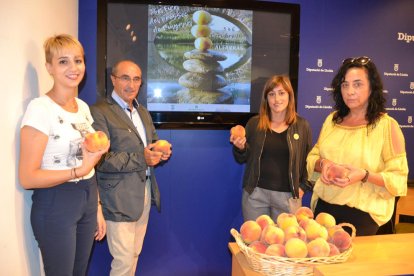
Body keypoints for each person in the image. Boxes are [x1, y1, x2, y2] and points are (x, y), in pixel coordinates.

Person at [18, 34, 108, 276]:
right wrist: (77, 171)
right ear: (49, 67)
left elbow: (89, 162)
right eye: (63, 61)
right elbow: (27, 178)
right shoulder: (40, 109)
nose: (73, 68)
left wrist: (97, 206)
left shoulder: (83, 107)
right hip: (56, 203)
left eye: (78, 60)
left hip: (87, 197)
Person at [307, 56, 408, 236]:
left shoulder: (387, 126)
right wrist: (323, 165)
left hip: (362, 215)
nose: (350, 91)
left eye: (358, 84)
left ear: (372, 88)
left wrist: (364, 175)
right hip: (324, 208)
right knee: (318, 262)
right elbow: (312, 157)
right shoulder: (331, 120)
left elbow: (398, 178)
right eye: (345, 85)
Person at [90, 60, 172, 275]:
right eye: (125, 78)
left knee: (134, 254)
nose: (131, 84)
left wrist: (160, 150)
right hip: (117, 197)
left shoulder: (141, 111)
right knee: (124, 260)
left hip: (144, 192)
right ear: (113, 80)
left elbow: (151, 142)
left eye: (136, 79)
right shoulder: (99, 111)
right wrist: (142, 158)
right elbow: (100, 159)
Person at [230, 75, 312, 222]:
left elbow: (309, 158)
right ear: (266, 98)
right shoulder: (254, 124)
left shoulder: (302, 125)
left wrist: (303, 187)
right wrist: (240, 148)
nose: (276, 99)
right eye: (271, 94)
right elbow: (242, 158)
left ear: (290, 96)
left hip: (288, 197)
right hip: (256, 196)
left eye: (281, 93)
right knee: (254, 243)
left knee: (286, 243)